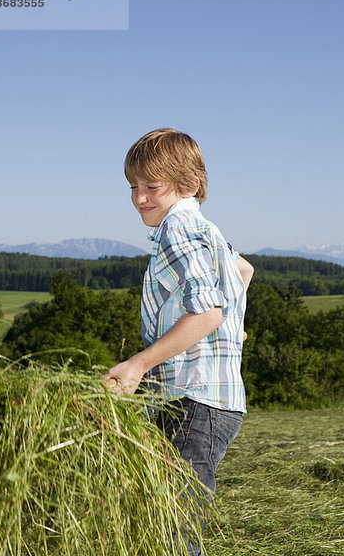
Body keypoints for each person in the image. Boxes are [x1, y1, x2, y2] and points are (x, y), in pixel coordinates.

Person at [101, 128, 254, 555]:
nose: (139, 197)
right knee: (170, 520)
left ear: (189, 185)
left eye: (152, 186)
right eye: (133, 186)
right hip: (212, 401)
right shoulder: (207, 228)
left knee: (172, 528)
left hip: (190, 400)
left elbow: (206, 312)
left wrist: (138, 364)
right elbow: (243, 272)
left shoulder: (177, 229)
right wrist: (234, 324)